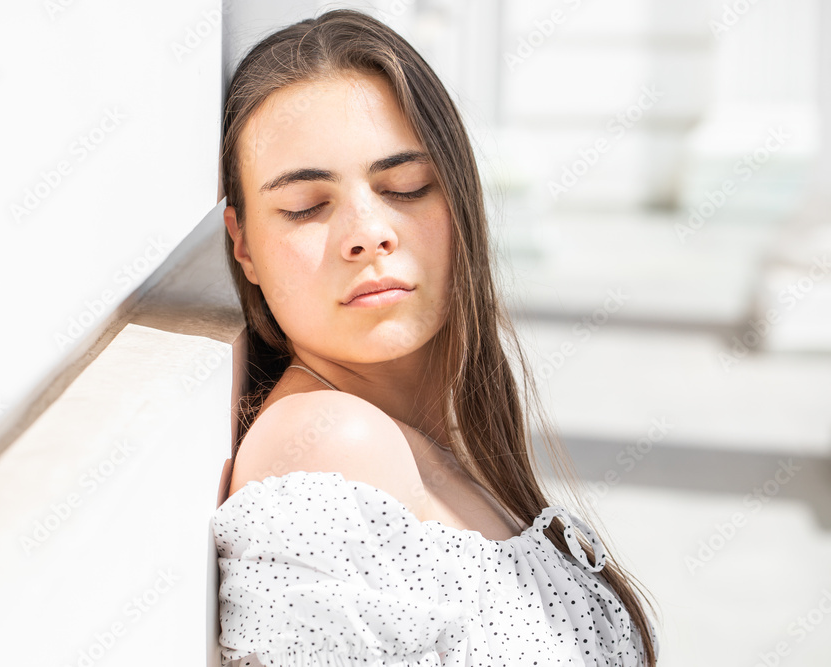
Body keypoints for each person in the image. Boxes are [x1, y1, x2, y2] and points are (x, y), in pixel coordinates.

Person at [212, 8, 659, 666]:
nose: (368, 231)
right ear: (243, 245)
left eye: (406, 186)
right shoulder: (333, 446)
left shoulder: (447, 438)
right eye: (307, 205)